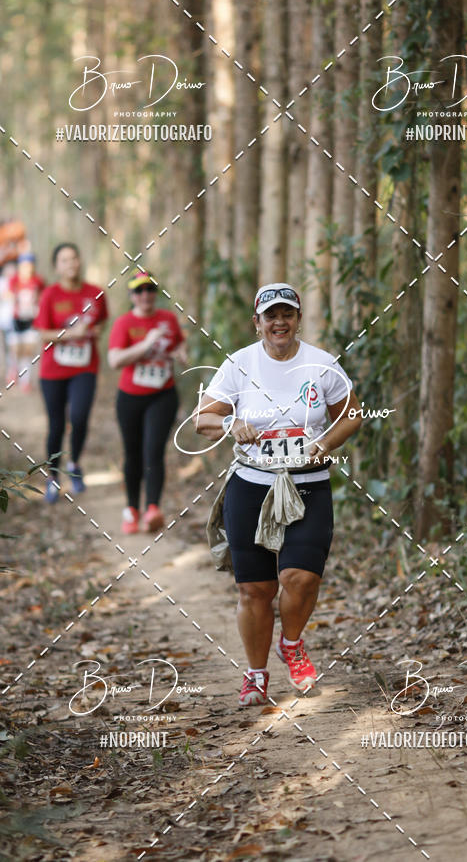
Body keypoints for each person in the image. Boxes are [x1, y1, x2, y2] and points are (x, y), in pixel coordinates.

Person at [194, 283, 362, 707]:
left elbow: (352, 416)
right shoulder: (238, 364)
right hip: (251, 484)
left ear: (298, 319)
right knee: (256, 590)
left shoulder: (322, 365)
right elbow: (201, 420)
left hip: (307, 484)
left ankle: (292, 643)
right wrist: (231, 424)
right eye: (271, 316)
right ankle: (255, 675)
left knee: (300, 578)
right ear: (258, 324)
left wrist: (323, 444)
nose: (279, 322)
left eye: (287, 314)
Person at [108, 271, 188, 535]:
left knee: (153, 450)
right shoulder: (124, 323)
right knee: (133, 453)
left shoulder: (167, 319)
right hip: (130, 397)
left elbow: (179, 344)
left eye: (150, 289)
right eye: (140, 290)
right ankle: (132, 509)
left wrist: (181, 354)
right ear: (131, 295)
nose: (146, 295)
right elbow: (115, 360)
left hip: (163, 395)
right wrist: (147, 343)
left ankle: (152, 508)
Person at [33, 243, 108, 503]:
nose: (71, 264)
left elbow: (101, 320)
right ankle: (53, 476)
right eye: (64, 260)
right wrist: (68, 334)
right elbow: (42, 332)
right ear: (57, 266)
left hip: (85, 367)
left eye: (74, 258)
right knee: (55, 425)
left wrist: (95, 330)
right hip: (53, 370)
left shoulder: (95, 293)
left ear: (79, 261)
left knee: (79, 416)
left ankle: (74, 464)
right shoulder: (49, 295)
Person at [8, 252, 45, 391]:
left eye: (29, 266)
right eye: (24, 266)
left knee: (28, 351)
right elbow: (8, 295)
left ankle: (25, 380)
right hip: (17, 319)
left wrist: (37, 302)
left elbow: (44, 295)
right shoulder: (14, 280)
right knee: (16, 349)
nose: (27, 269)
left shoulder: (38, 280)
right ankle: (13, 371)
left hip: (31, 319)